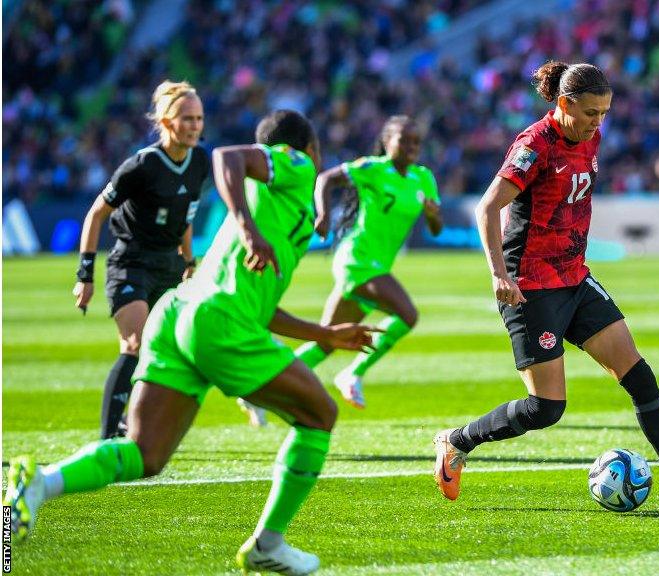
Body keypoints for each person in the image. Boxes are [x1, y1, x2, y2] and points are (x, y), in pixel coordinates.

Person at [4, 110, 380, 575]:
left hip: (178, 314)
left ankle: (39, 482)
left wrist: (323, 334)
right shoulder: (294, 165)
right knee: (319, 414)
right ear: (310, 147)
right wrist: (246, 225)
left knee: (146, 454)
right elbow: (227, 156)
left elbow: (261, 307)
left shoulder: (280, 206)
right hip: (216, 322)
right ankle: (268, 543)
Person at [431, 62, 659, 509]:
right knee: (546, 409)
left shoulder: (589, 137)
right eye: (592, 112)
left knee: (639, 375)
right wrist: (499, 274)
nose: (599, 122)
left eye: (605, 113)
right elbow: (487, 208)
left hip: (575, 278)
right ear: (564, 104)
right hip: (531, 287)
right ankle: (456, 441)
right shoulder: (533, 145)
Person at [74, 80, 209, 439]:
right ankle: (107, 439)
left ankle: (130, 423)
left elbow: (187, 214)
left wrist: (189, 260)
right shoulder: (142, 165)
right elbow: (95, 215)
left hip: (169, 266)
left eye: (199, 118)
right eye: (187, 119)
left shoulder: (201, 160)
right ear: (166, 122)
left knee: (166, 351)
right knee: (135, 344)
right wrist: (84, 275)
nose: (195, 126)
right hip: (130, 263)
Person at [287, 115, 443, 410]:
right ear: (387, 142)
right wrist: (322, 215)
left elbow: (436, 228)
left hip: (377, 267)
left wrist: (434, 216)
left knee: (327, 340)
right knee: (407, 314)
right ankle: (353, 373)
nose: (412, 146)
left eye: (416, 142)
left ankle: (265, 382)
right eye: (404, 140)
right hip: (356, 260)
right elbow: (325, 179)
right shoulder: (373, 168)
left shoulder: (424, 177)